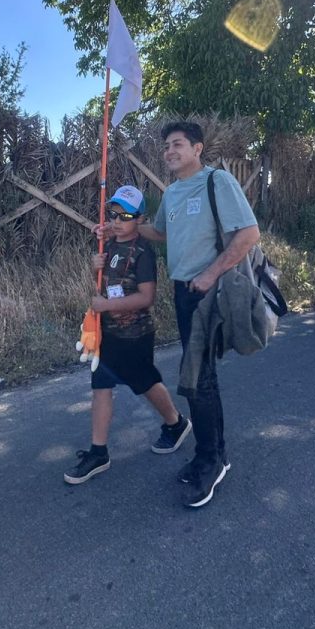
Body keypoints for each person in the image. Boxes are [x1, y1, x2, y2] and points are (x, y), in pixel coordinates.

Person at [105, 122, 259, 509]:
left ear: (197, 149)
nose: (169, 151)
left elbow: (249, 234)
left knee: (198, 378)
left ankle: (214, 459)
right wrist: (121, 227)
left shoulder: (217, 182)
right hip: (183, 292)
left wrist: (209, 274)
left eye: (177, 145)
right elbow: (159, 232)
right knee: (197, 376)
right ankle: (208, 451)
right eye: (166, 146)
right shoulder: (171, 193)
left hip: (209, 291)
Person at [65, 186, 191, 485]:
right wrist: (95, 266)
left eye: (127, 215)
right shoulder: (108, 246)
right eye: (114, 213)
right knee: (101, 385)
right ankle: (99, 452)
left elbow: (146, 297)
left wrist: (107, 304)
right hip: (108, 333)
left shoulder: (143, 253)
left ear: (140, 218)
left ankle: (175, 423)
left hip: (135, 335)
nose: (118, 220)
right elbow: (107, 282)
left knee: (145, 383)